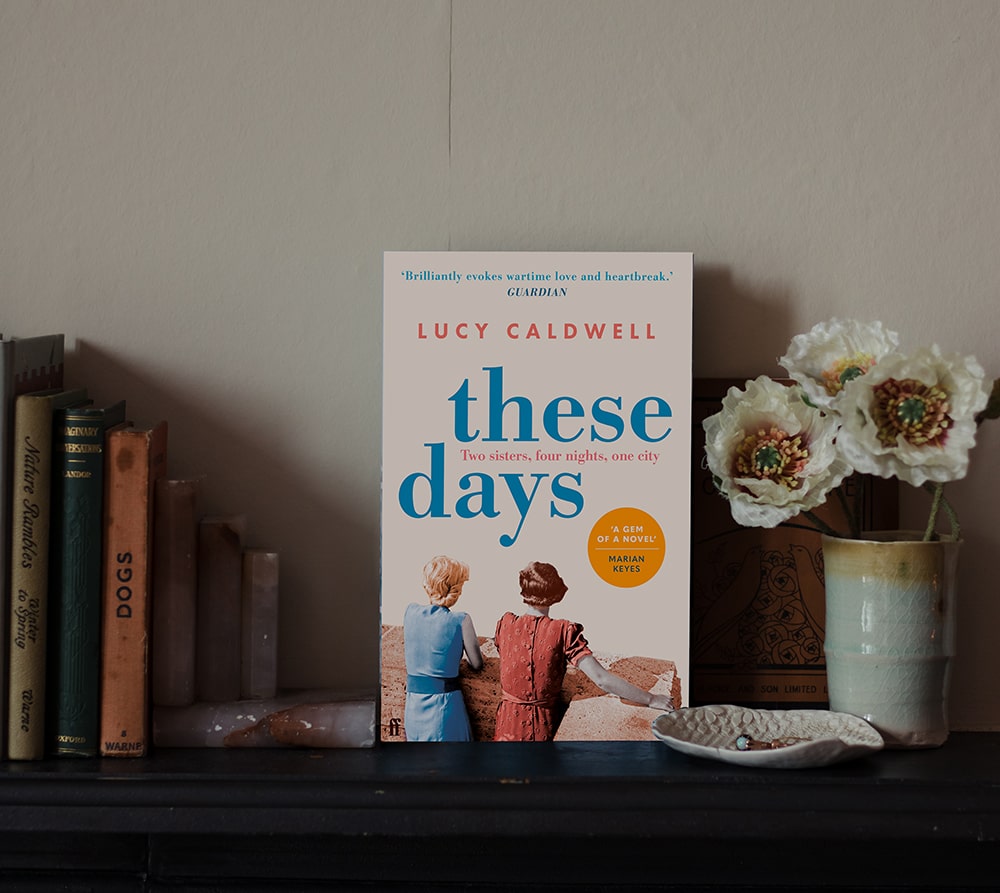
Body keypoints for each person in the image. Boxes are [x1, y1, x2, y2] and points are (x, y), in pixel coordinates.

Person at [493, 560, 674, 742]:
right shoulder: (562, 630)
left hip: (505, 725)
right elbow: (601, 679)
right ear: (555, 593)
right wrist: (651, 699)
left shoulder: (505, 623)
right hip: (540, 727)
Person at [403, 555, 483, 741]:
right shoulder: (461, 620)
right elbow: (477, 664)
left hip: (413, 707)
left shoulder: (410, 612)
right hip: (444, 707)